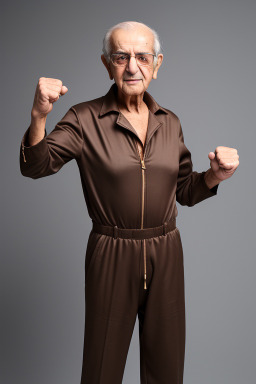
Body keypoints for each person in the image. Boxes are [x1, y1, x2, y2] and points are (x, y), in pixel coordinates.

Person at [19, 21, 239, 384]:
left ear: (157, 64)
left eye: (142, 56)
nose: (132, 66)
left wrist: (215, 175)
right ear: (107, 64)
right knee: (102, 368)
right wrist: (39, 116)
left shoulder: (170, 123)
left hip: (166, 250)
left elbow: (184, 190)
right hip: (111, 251)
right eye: (121, 57)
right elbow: (35, 165)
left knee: (167, 369)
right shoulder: (84, 118)